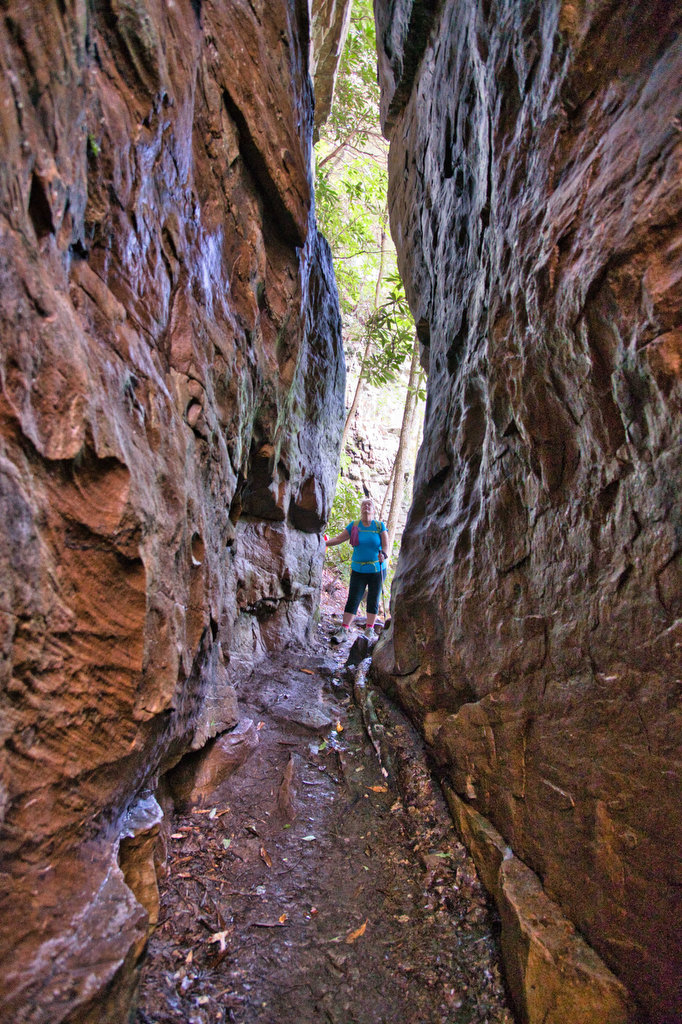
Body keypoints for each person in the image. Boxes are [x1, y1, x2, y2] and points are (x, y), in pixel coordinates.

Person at [325, 497, 389, 642]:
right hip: (358, 569)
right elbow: (339, 539)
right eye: (364, 505)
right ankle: (344, 630)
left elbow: (386, 545)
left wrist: (384, 555)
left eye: (369, 505)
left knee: (373, 598)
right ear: (361, 509)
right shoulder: (354, 526)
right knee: (353, 598)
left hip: (376, 569)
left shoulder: (379, 526)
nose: (366, 507)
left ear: (373, 510)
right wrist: (323, 543)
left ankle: (369, 630)